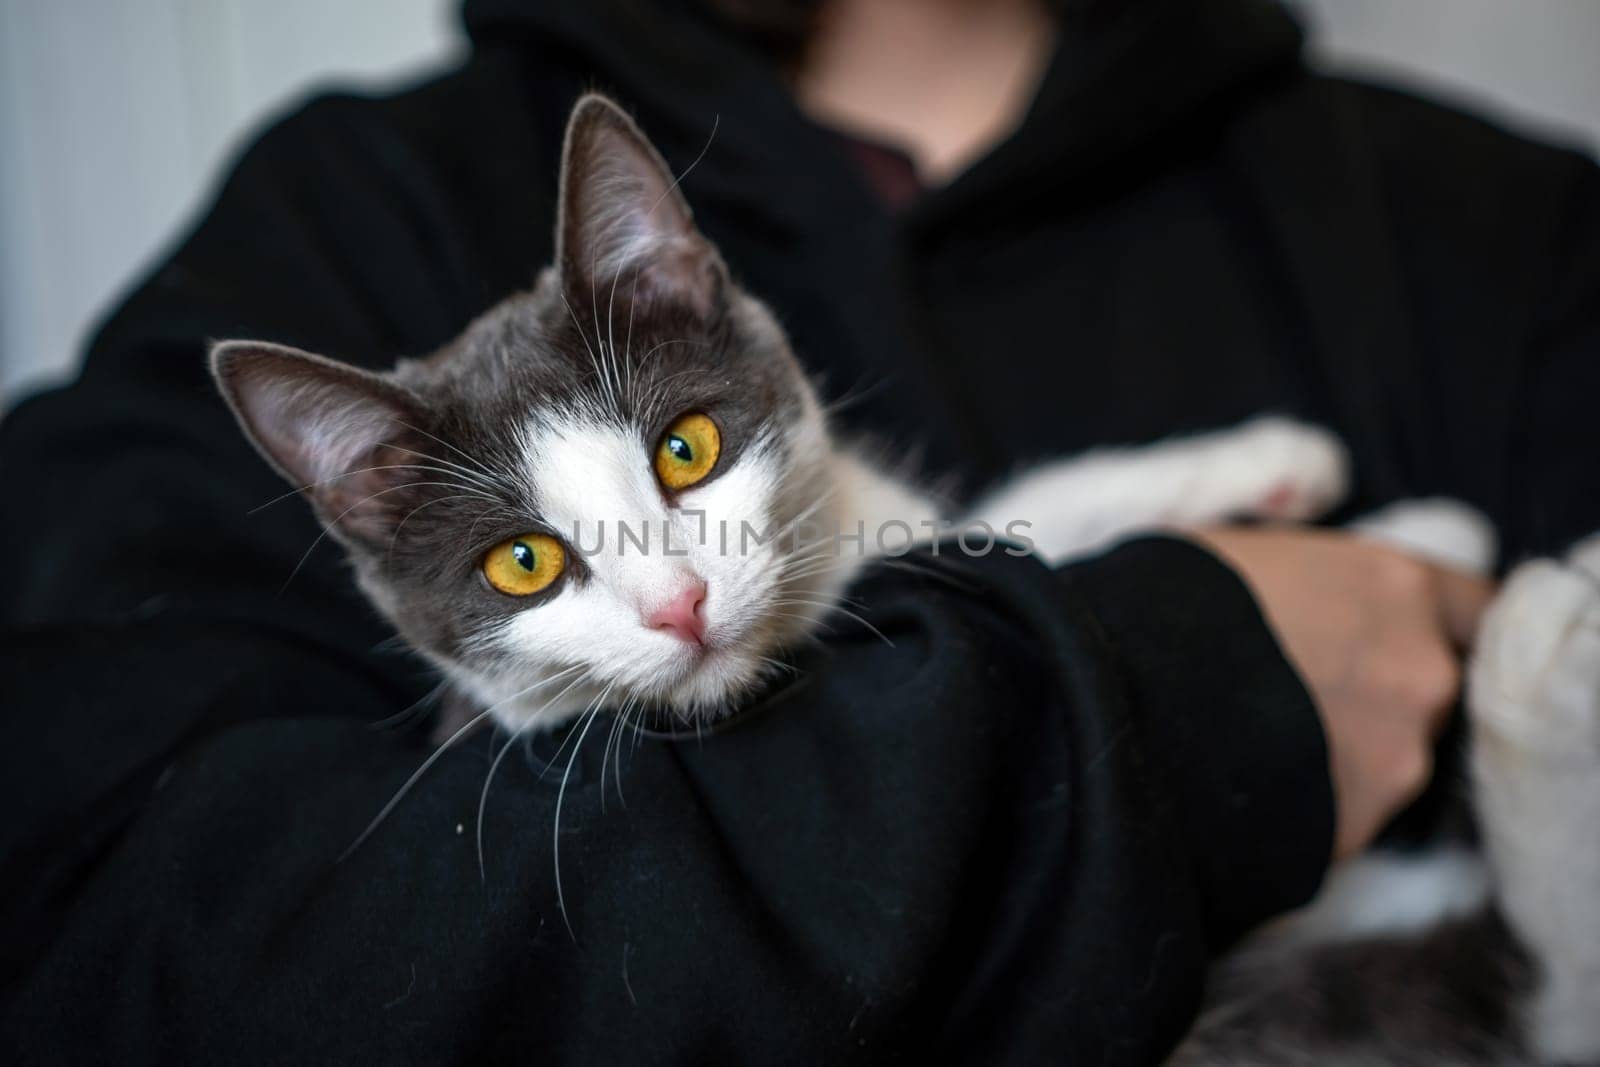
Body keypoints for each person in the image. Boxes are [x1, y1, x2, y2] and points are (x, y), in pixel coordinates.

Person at [0, 0, 1592, 1062]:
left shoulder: (1491, 225)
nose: (680, 598)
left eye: (687, 455)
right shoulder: (341, 204)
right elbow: (102, 953)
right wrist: (1168, 702)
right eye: (534, 565)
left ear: (697, 290)